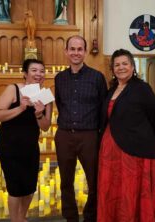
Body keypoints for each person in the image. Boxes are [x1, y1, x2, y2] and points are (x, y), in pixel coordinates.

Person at [97, 49, 155, 222]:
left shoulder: (142, 88)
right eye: (117, 65)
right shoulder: (111, 89)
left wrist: (150, 138)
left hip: (134, 150)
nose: (121, 68)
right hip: (110, 149)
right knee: (113, 189)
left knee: (130, 189)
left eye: (125, 64)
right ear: (112, 69)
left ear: (132, 66)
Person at [54, 35, 107, 222]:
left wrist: (100, 136)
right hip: (64, 135)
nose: (76, 53)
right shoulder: (59, 78)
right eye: (72, 49)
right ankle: (70, 217)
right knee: (65, 181)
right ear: (66, 52)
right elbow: (60, 104)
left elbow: (103, 108)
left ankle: (91, 216)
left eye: (79, 49)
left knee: (94, 181)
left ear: (85, 52)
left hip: (89, 136)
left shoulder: (97, 77)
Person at [0, 59, 52, 222]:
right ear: (25, 74)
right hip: (10, 146)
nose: (38, 74)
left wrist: (39, 114)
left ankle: (22, 217)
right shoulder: (13, 89)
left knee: (29, 187)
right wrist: (21, 108)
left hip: (30, 147)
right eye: (34, 70)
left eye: (41, 71)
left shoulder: (46, 96)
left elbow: (46, 126)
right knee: (15, 188)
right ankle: (15, 219)